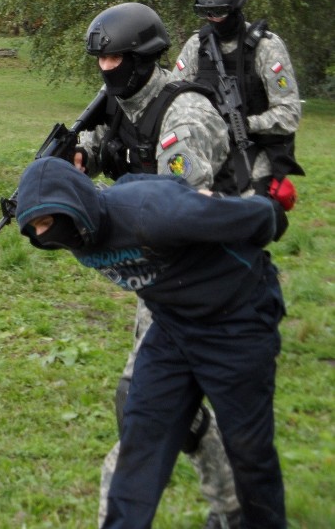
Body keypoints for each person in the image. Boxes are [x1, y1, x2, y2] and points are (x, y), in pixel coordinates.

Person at [15, 156, 288, 529]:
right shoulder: (80, 233)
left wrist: (268, 214)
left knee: (248, 450)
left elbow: (257, 218)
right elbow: (132, 179)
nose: (45, 234)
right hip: (173, 328)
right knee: (141, 440)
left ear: (73, 201)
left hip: (237, 321)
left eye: (47, 221)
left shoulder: (152, 213)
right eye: (35, 228)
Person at [75, 3, 241, 528]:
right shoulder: (122, 101)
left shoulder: (184, 118)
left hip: (213, 280)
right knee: (171, 411)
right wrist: (76, 158)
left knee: (143, 407)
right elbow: (105, 143)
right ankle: (235, 505)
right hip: (168, 281)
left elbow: (176, 216)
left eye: (116, 59)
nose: (107, 70)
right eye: (101, 61)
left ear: (143, 59)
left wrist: (100, 218)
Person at [173, 0, 303, 202]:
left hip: (252, 148)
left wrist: (245, 124)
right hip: (206, 147)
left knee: (249, 209)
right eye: (206, 13)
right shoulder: (197, 46)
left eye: (220, 13)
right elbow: (173, 96)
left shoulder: (266, 47)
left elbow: (290, 113)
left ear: (235, 9)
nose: (212, 19)